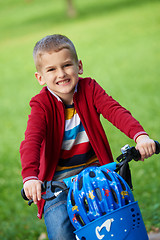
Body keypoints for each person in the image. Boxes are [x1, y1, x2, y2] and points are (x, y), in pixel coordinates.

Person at [20, 34, 156, 240]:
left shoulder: (90, 89)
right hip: (58, 184)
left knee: (122, 219)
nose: (61, 74)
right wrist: (30, 177)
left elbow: (115, 111)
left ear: (79, 66)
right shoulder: (42, 105)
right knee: (60, 230)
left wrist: (140, 136)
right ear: (40, 78)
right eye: (51, 69)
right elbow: (32, 140)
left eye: (66, 65)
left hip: (97, 174)